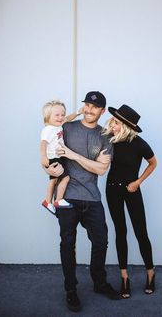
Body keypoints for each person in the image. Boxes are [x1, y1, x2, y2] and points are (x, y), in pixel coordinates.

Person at [45, 91, 120, 312]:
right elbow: (49, 145)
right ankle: (71, 290)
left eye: (94, 107)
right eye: (86, 105)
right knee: (67, 244)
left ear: (102, 111)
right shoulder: (67, 128)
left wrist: (73, 155)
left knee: (101, 241)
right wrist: (48, 166)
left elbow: (101, 168)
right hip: (67, 198)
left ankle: (99, 283)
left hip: (92, 197)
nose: (89, 110)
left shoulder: (104, 136)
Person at [102, 104, 157, 298]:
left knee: (141, 232)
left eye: (116, 122)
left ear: (126, 125)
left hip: (131, 190)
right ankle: (124, 277)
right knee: (120, 232)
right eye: (113, 121)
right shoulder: (109, 139)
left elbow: (153, 163)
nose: (112, 124)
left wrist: (138, 182)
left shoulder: (139, 143)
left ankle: (150, 273)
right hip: (112, 190)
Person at [40, 100, 82, 215]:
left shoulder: (58, 125)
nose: (61, 117)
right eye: (57, 115)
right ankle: (58, 200)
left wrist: (78, 112)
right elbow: (43, 143)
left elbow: (68, 118)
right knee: (65, 178)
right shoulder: (48, 129)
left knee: (54, 180)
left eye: (62, 114)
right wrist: (43, 157)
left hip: (58, 156)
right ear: (48, 116)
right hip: (53, 158)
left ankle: (48, 201)